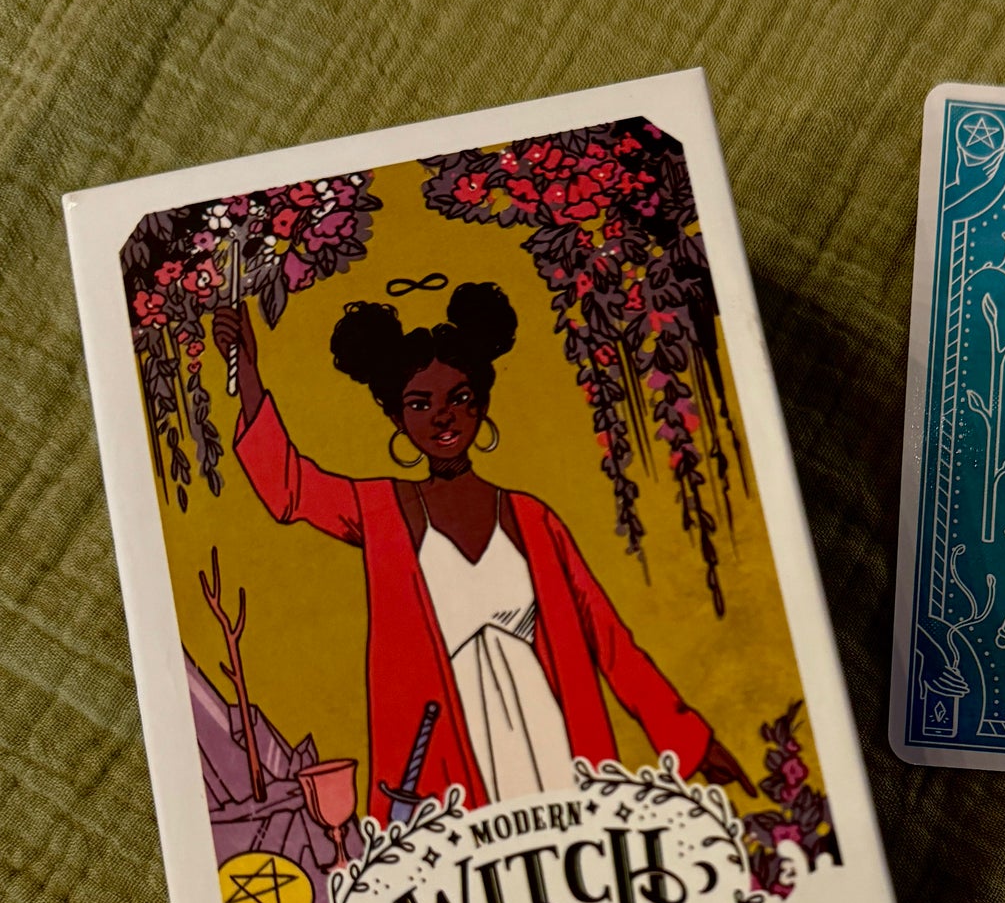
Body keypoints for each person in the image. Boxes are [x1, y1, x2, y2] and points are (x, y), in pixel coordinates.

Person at [214, 285, 753, 822]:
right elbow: (289, 489)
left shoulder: (532, 518)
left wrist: (689, 738)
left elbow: (607, 637)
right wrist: (250, 376)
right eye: (420, 404)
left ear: (482, 404)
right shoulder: (381, 510)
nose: (442, 417)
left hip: (551, 731)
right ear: (397, 418)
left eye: (459, 398)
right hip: (445, 746)